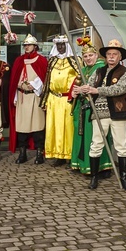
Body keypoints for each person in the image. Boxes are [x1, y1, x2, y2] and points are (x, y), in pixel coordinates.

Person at [79, 39, 126, 191]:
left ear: (120, 57)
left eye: (114, 54)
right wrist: (83, 89)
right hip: (99, 113)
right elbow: (89, 86)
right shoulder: (98, 71)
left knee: (121, 146)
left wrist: (98, 90)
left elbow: (119, 89)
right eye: (109, 54)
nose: (111, 57)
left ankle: (124, 178)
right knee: (96, 144)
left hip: (118, 113)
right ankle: (94, 177)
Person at [70, 36, 112, 178]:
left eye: (90, 55)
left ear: (96, 55)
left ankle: (100, 168)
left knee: (96, 138)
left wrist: (83, 89)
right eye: (85, 56)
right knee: (83, 137)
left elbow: (97, 87)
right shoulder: (83, 69)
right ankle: (83, 164)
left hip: (96, 108)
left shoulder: (100, 68)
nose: (88, 58)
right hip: (83, 107)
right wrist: (75, 92)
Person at [40, 35, 79, 167]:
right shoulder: (52, 61)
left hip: (67, 99)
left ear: (67, 45)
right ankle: (58, 155)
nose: (60, 47)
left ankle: (69, 155)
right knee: (54, 127)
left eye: (63, 45)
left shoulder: (75, 61)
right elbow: (47, 81)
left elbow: (80, 78)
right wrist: (45, 100)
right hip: (53, 99)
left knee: (68, 127)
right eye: (58, 45)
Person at [8, 34, 47, 165]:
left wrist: (35, 84)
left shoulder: (41, 60)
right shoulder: (19, 60)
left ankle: (39, 154)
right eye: (25, 45)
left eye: (29, 45)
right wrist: (15, 94)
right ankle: (22, 153)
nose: (27, 47)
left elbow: (45, 78)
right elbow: (14, 80)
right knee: (22, 126)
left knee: (38, 126)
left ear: (35, 46)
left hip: (35, 96)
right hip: (22, 97)